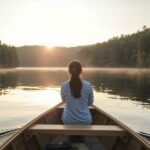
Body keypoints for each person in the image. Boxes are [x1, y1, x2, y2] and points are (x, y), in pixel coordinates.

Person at [61, 60, 94, 125]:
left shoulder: (64, 85)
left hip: (68, 120)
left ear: (69, 71)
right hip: (85, 120)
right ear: (81, 71)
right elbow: (90, 103)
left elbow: (64, 101)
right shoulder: (88, 85)